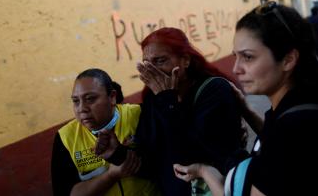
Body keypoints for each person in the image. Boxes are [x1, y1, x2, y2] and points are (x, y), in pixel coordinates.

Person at [173, 2, 318, 196]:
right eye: (235, 56)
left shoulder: (297, 128)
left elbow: (283, 143)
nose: (236, 69)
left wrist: (205, 171)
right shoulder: (303, 100)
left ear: (288, 59)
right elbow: (279, 143)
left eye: (248, 57)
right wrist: (246, 110)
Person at [96, 27, 256, 196]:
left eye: (160, 61)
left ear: (185, 60)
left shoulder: (214, 90)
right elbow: (154, 163)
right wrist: (117, 153)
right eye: (147, 63)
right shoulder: (154, 99)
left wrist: (167, 100)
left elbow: (194, 153)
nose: (153, 70)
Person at [50, 68, 160, 196]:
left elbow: (167, 165)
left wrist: (122, 154)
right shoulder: (65, 137)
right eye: (76, 101)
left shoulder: (140, 115)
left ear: (112, 97)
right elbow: (65, 192)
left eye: (90, 99)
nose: (82, 109)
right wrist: (110, 176)